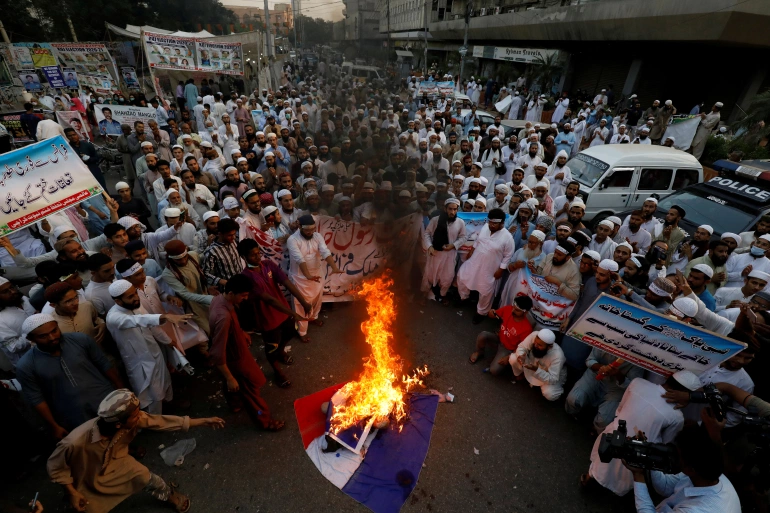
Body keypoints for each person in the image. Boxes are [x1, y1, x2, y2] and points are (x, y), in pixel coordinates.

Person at [47, 389, 224, 513]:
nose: (141, 416)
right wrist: (71, 492)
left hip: (119, 462)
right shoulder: (74, 442)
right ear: (118, 424)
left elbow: (163, 422)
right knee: (87, 507)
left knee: (145, 476)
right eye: (136, 415)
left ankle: (169, 495)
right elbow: (55, 467)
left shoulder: (131, 420)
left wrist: (203, 421)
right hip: (87, 476)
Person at [584, 371, 696, 495]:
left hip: (613, 435)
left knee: (601, 466)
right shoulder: (677, 416)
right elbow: (666, 443)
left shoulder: (638, 382)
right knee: (622, 478)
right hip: (637, 453)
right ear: (684, 395)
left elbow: (620, 408)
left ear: (669, 378)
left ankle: (591, 478)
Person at [15, 313, 122, 438]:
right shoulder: (26, 365)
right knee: (92, 441)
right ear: (31, 338)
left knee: (120, 429)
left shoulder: (80, 340)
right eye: (43, 336)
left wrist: (120, 388)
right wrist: (54, 425)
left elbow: (103, 364)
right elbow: (36, 399)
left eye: (54, 331)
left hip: (103, 397)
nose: (52, 337)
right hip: (72, 413)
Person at [209, 275, 286, 431]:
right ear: (231, 293)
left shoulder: (219, 300)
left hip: (236, 352)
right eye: (243, 295)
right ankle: (264, 421)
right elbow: (217, 353)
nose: (245, 298)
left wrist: (240, 332)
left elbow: (229, 328)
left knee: (235, 387)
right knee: (251, 394)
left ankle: (235, 404)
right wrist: (229, 377)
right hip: (235, 360)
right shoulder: (223, 317)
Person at [105, 280, 191, 414]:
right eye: (130, 296)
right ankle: (155, 419)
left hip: (154, 351)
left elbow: (152, 325)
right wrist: (165, 316)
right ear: (118, 301)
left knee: (164, 380)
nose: (135, 298)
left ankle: (169, 405)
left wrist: (168, 341)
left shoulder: (136, 306)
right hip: (138, 360)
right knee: (151, 393)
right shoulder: (113, 317)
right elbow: (137, 321)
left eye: (135, 293)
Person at [238, 239, 312, 387]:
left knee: (290, 333)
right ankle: (277, 371)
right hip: (267, 319)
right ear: (244, 257)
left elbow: (287, 283)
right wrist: (293, 312)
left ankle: (281, 352)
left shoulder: (268, 265)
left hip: (284, 313)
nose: (258, 257)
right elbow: (268, 300)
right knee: (271, 347)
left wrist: (303, 301)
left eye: (258, 252)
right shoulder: (246, 277)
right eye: (253, 255)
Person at [626, 424, 740, 513]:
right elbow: (665, 486)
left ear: (690, 469)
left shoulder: (696, 510)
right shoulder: (708, 472)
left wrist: (638, 475)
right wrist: (648, 456)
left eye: (677, 457)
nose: (672, 458)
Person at [286, 215, 342, 342]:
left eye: (313, 229)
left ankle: (313, 318)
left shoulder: (317, 236)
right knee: (300, 305)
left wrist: (334, 267)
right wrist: (307, 276)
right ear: (299, 226)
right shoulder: (293, 240)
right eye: (307, 230)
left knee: (317, 299)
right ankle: (302, 331)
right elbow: (299, 258)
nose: (310, 232)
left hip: (317, 275)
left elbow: (325, 251)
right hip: (300, 278)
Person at [565, 347, 644, 433]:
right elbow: (590, 360)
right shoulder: (607, 341)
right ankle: (574, 412)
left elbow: (631, 385)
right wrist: (602, 367)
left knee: (604, 420)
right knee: (574, 399)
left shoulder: (638, 359)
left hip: (616, 387)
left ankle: (595, 430)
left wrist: (617, 374)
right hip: (594, 375)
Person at [457, 209, 515, 324]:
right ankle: (464, 298)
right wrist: (472, 250)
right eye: (490, 222)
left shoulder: (508, 237)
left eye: (495, 223)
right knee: (462, 277)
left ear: (502, 223)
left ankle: (481, 312)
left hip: (490, 269)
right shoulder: (485, 227)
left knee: (485, 291)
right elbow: (478, 240)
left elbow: (508, 256)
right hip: (475, 262)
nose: (491, 225)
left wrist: (501, 270)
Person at [469, 296, 534, 375]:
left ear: (525, 312)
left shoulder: (526, 328)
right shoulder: (508, 309)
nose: (512, 310)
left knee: (494, 370)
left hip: (508, 349)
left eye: (517, 310)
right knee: (483, 335)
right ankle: (479, 352)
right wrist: (491, 313)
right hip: (498, 338)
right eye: (513, 307)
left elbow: (522, 347)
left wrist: (509, 357)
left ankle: (504, 362)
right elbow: (492, 314)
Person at [421, 198, 467, 304]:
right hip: (434, 253)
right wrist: (429, 246)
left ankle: (443, 295)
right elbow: (427, 234)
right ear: (445, 208)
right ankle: (424, 294)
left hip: (449, 255)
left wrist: (453, 245)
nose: (452, 212)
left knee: (447, 276)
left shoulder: (460, 222)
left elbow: (463, 237)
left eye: (455, 209)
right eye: (450, 209)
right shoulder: (435, 220)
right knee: (428, 275)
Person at [508, 329, 567, 401]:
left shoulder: (558, 356)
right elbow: (522, 347)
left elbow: (553, 379)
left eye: (539, 345)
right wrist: (521, 356)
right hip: (533, 365)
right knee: (513, 358)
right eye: (535, 342)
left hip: (548, 375)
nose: (535, 345)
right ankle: (520, 375)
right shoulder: (534, 335)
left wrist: (536, 370)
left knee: (550, 393)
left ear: (549, 347)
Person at [0, 276, 37, 367]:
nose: (12, 292)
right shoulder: (1, 319)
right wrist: (34, 330)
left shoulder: (23, 299)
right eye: (5, 292)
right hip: (30, 361)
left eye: (12, 287)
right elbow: (13, 347)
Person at [202, 218, 245, 288]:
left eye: (234, 234)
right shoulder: (212, 252)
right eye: (230, 235)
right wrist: (221, 281)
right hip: (228, 288)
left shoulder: (233, 242)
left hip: (241, 282)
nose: (233, 237)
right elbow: (206, 273)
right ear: (220, 234)